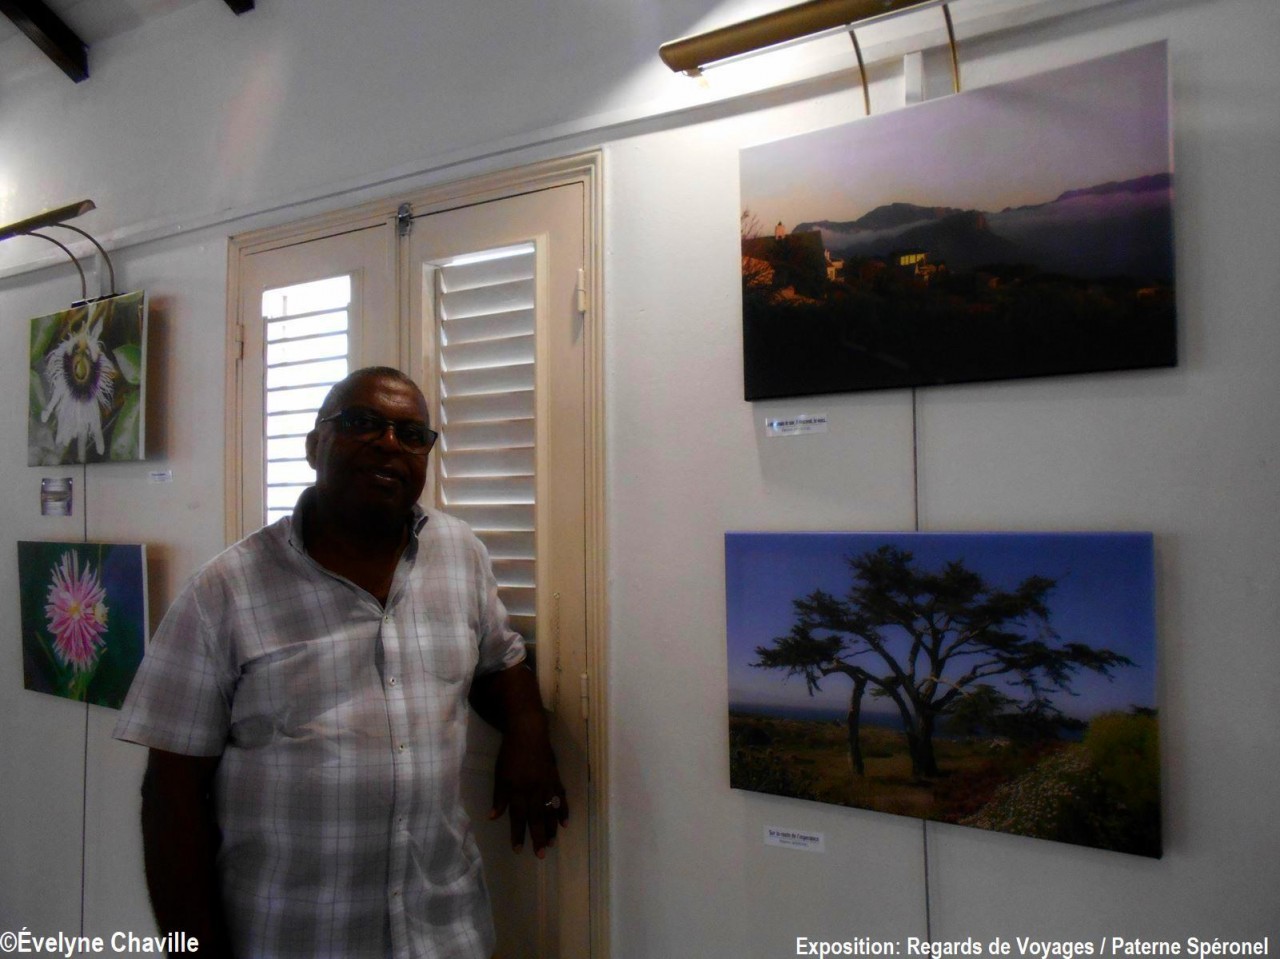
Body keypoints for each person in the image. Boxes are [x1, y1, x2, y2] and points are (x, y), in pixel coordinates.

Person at [113, 366, 566, 959]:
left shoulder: (460, 554)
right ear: (313, 445)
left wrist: (529, 730)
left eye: (412, 434)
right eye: (361, 423)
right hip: (294, 936)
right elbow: (171, 800)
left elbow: (499, 660)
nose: (388, 443)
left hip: (445, 931)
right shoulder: (224, 592)